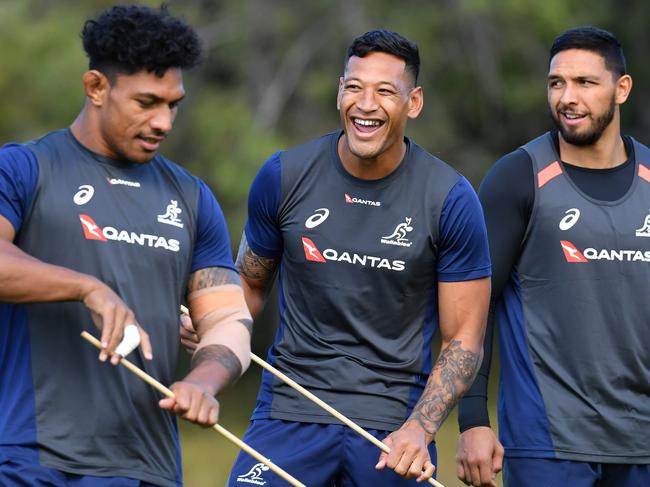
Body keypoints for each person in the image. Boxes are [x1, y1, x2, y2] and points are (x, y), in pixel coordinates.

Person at [0, 5, 252, 487]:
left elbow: (227, 320)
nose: (164, 122)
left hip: (145, 468)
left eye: (173, 104)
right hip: (28, 460)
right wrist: (85, 287)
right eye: (146, 102)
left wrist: (203, 382)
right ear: (96, 87)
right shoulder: (24, 169)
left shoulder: (192, 197)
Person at [229, 29, 491, 486]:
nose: (365, 104)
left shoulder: (449, 198)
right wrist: (218, 322)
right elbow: (248, 287)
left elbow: (463, 341)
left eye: (385, 91)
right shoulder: (283, 176)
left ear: (414, 103)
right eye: (354, 87)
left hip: (393, 428)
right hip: (288, 411)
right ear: (339, 92)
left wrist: (420, 427)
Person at [455, 26, 650, 487]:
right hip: (546, 444)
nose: (567, 96)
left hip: (641, 441)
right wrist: (472, 420)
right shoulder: (518, 177)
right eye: (556, 83)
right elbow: (470, 310)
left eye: (585, 82)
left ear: (621, 89)